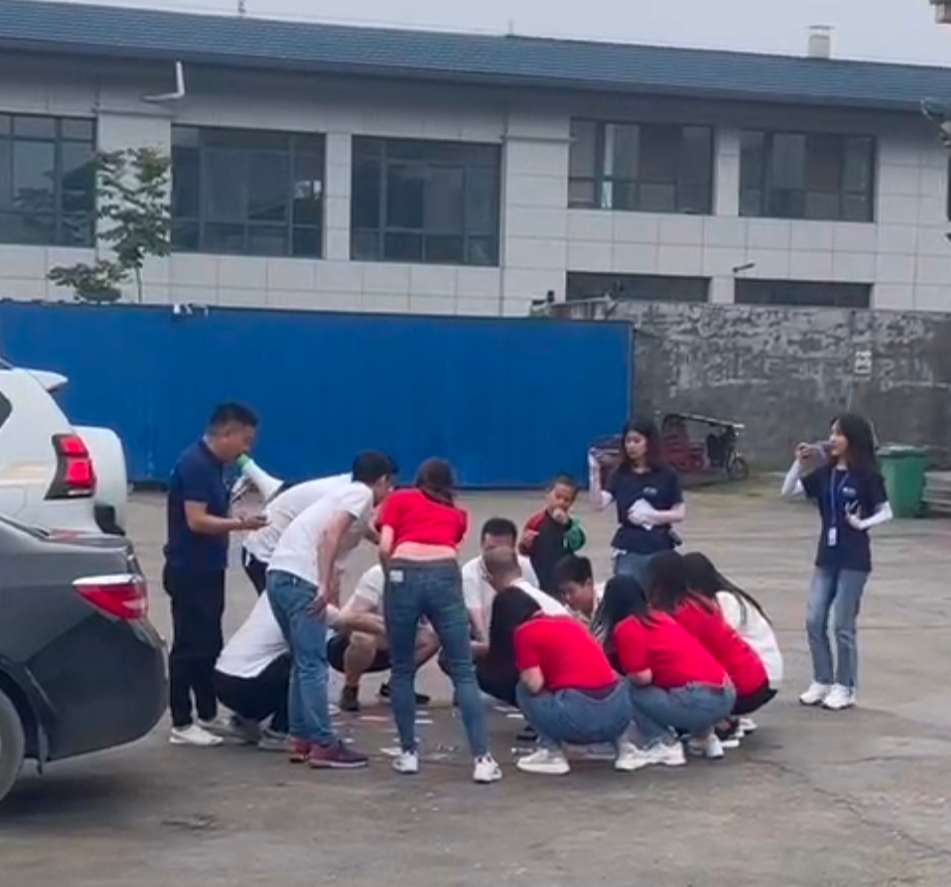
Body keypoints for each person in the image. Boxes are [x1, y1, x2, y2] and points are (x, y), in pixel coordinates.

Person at [266, 451, 395, 769]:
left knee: (302, 662)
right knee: (313, 664)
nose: (390, 492)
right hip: (302, 579)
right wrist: (323, 584)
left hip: (279, 575)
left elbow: (366, 532)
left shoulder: (341, 494)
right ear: (382, 480)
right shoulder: (361, 495)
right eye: (390, 485)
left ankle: (301, 738)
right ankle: (324, 744)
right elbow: (331, 534)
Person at [379, 458, 501, 783]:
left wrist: (394, 578)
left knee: (402, 668)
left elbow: (385, 546)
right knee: (462, 669)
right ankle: (482, 759)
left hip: (402, 571)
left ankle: (408, 754)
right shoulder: (458, 515)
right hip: (444, 574)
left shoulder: (400, 499)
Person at [164, 402, 267, 748]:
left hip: (208, 567)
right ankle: (181, 721)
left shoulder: (213, 466)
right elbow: (196, 520)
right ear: (226, 433)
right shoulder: (195, 465)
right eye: (245, 440)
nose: (246, 450)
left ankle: (207, 713)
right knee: (189, 646)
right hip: (189, 569)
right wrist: (241, 523)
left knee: (208, 643)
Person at [781, 414, 892, 711]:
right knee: (814, 619)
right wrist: (798, 464)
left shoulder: (867, 475)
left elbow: (886, 511)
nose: (833, 439)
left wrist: (862, 524)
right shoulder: (825, 474)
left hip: (854, 559)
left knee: (842, 625)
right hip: (826, 557)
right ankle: (822, 679)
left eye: (839, 434)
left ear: (853, 439)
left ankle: (845, 686)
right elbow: (788, 492)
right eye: (831, 433)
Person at [492, 587, 639, 776]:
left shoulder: (524, 632)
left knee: (523, 689)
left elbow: (534, 684)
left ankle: (551, 753)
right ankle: (625, 748)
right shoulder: (569, 622)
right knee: (604, 683)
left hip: (578, 717)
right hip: (619, 715)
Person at [599, 575, 735, 766]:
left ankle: (663, 743)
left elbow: (642, 678)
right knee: (675, 680)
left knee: (626, 688)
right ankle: (704, 737)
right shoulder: (659, 617)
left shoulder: (627, 627)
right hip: (726, 694)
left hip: (698, 700)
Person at [648, 552, 770, 755]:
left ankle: (715, 724)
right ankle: (721, 722)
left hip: (739, 687)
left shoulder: (680, 614)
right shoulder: (699, 602)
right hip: (755, 678)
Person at [683, 552, 783, 736]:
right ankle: (734, 716)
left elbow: (722, 640)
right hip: (766, 673)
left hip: (762, 675)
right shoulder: (728, 597)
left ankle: (727, 718)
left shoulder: (725, 600)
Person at [327, 564, 439, 712]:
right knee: (363, 639)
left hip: (394, 642)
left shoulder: (430, 581)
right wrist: (383, 628)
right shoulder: (378, 575)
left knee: (433, 638)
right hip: (348, 645)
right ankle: (350, 688)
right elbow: (347, 620)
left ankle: (396, 685)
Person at [588, 416, 685, 585]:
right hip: (629, 547)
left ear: (649, 442)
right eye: (628, 441)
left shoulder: (667, 475)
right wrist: (594, 474)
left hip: (660, 547)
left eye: (637, 441)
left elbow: (679, 513)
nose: (631, 446)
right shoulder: (620, 474)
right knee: (627, 587)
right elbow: (599, 504)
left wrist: (652, 516)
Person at [478, 547, 570, 709]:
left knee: (481, 673)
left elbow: (501, 654)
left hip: (548, 674)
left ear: (491, 577)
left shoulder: (509, 601)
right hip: (566, 667)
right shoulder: (544, 599)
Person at [241, 472, 352, 594]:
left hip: (275, 551)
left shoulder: (346, 486)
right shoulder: (348, 499)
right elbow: (330, 549)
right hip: (264, 553)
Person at [213, 593, 291, 751]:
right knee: (305, 664)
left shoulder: (271, 593)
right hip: (246, 685)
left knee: (274, 658)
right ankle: (278, 732)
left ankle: (245, 720)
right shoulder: (301, 599)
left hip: (222, 678)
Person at [460, 518, 540, 648]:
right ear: (482, 545)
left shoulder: (525, 566)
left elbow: (535, 603)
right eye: (490, 548)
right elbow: (476, 615)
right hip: (484, 634)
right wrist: (489, 647)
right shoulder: (469, 571)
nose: (495, 555)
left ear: (513, 548)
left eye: (502, 550)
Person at [518, 475, 586, 596]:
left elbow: (577, 543)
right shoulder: (536, 521)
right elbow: (524, 551)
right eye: (558, 497)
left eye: (567, 500)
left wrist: (567, 525)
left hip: (563, 578)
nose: (561, 502)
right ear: (548, 495)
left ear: (572, 503)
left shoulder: (572, 524)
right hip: (540, 575)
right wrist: (525, 544)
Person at [553, 554, 606, 639]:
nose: (567, 598)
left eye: (571, 591)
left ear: (588, 583)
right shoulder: (566, 616)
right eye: (563, 593)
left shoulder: (608, 600)